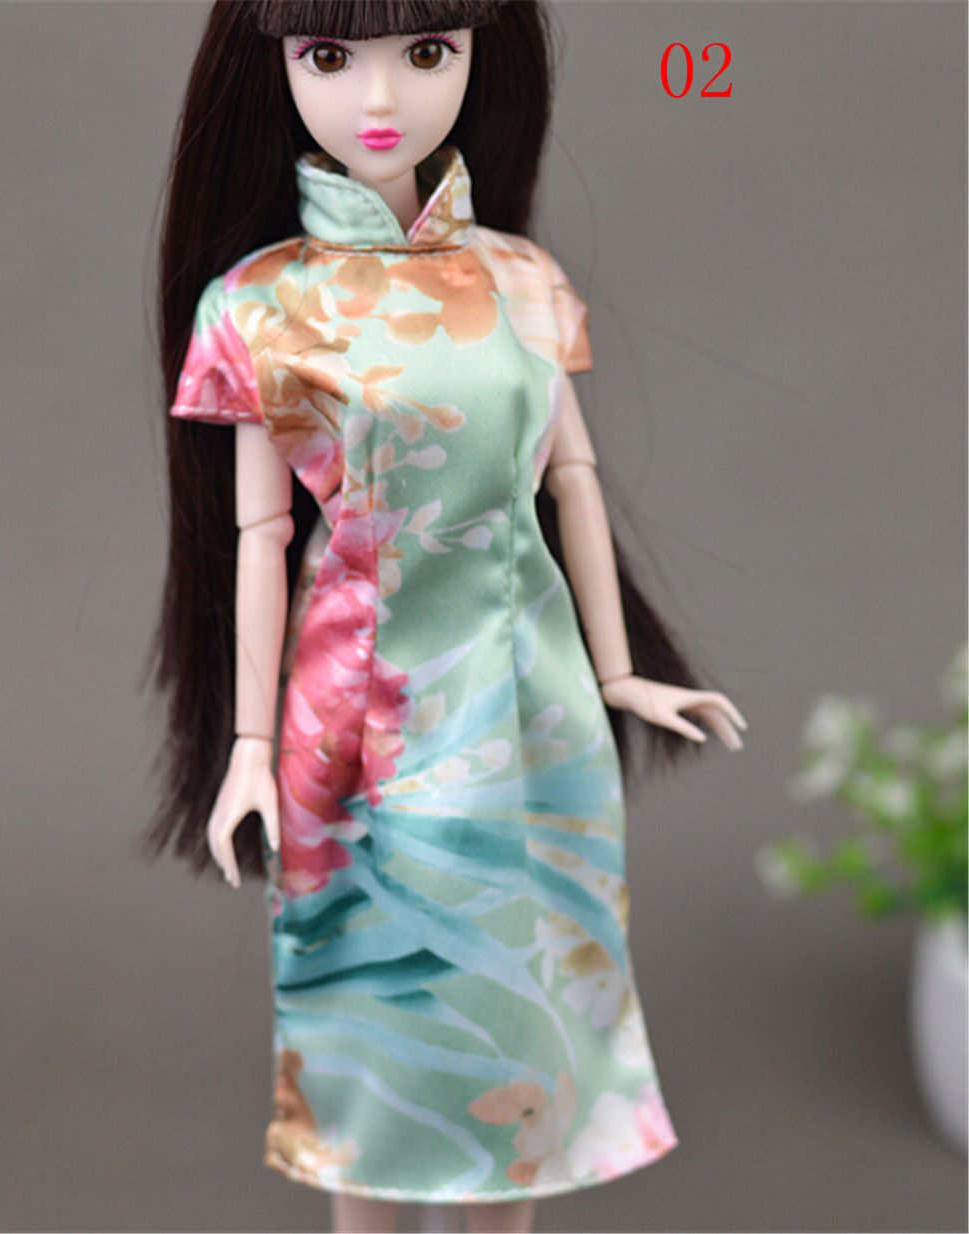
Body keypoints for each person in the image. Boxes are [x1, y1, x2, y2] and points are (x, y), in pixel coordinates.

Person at [150, 4, 745, 1231]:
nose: (381, 99)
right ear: (274, 67)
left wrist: (620, 674)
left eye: (427, 54)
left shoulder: (523, 280)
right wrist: (250, 747)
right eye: (329, 58)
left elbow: (571, 482)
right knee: (374, 1038)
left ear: (481, 57)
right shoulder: (262, 303)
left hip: (530, 703)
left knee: (519, 1038)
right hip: (360, 714)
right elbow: (263, 537)